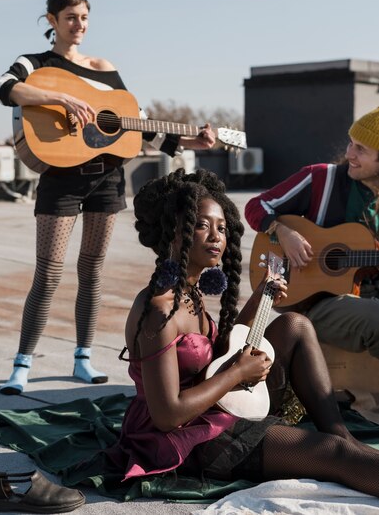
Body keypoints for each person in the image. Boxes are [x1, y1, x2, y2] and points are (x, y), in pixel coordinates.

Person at [0, 0, 216, 395]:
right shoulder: (37, 63)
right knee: (50, 272)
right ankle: (22, 364)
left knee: (92, 270)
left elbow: (136, 123)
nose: (79, 25)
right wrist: (59, 98)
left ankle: (83, 358)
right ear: (52, 21)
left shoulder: (105, 67)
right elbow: (3, 88)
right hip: (61, 179)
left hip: (107, 180)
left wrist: (189, 142)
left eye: (85, 18)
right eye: (71, 17)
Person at [104, 167, 379, 498]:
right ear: (174, 232)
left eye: (221, 228)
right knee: (335, 456)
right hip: (185, 438)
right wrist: (238, 373)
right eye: (203, 225)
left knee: (295, 324)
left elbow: (219, 352)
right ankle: (341, 448)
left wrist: (260, 297)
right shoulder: (159, 311)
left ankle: (339, 433)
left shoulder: (188, 292)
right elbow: (167, 416)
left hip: (216, 401)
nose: (216, 236)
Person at [244, 107, 379, 359]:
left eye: (361, 149)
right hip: (317, 303)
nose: (350, 153)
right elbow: (256, 206)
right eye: (351, 144)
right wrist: (282, 231)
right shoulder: (321, 178)